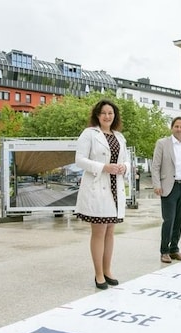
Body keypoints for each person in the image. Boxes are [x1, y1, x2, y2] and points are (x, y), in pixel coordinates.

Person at [75, 99, 128, 290]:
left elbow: (126, 160)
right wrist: (103, 167)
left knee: (110, 231)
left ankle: (108, 270)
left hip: (115, 186)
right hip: (98, 186)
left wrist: (124, 167)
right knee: (99, 231)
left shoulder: (119, 136)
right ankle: (98, 274)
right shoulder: (89, 134)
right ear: (98, 115)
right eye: (104, 113)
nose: (108, 116)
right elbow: (79, 159)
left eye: (111, 113)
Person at [151, 117, 181, 263]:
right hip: (169, 186)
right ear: (172, 127)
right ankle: (164, 251)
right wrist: (157, 185)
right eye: (176, 126)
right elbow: (156, 166)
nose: (179, 129)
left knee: (179, 220)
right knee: (169, 220)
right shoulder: (163, 143)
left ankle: (174, 249)